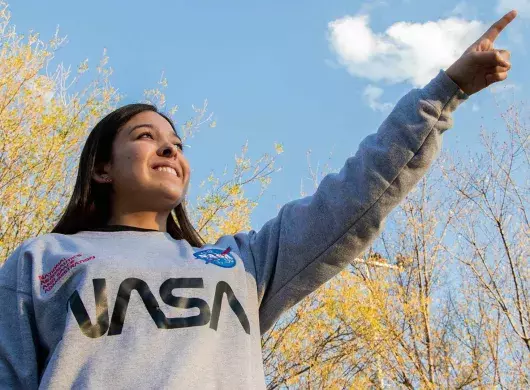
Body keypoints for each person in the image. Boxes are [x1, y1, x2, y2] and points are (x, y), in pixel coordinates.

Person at [0, 10, 517, 390]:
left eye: (178, 144)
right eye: (144, 136)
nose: (169, 148)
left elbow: (359, 193)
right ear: (102, 167)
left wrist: (447, 90)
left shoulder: (242, 264)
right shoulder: (42, 260)